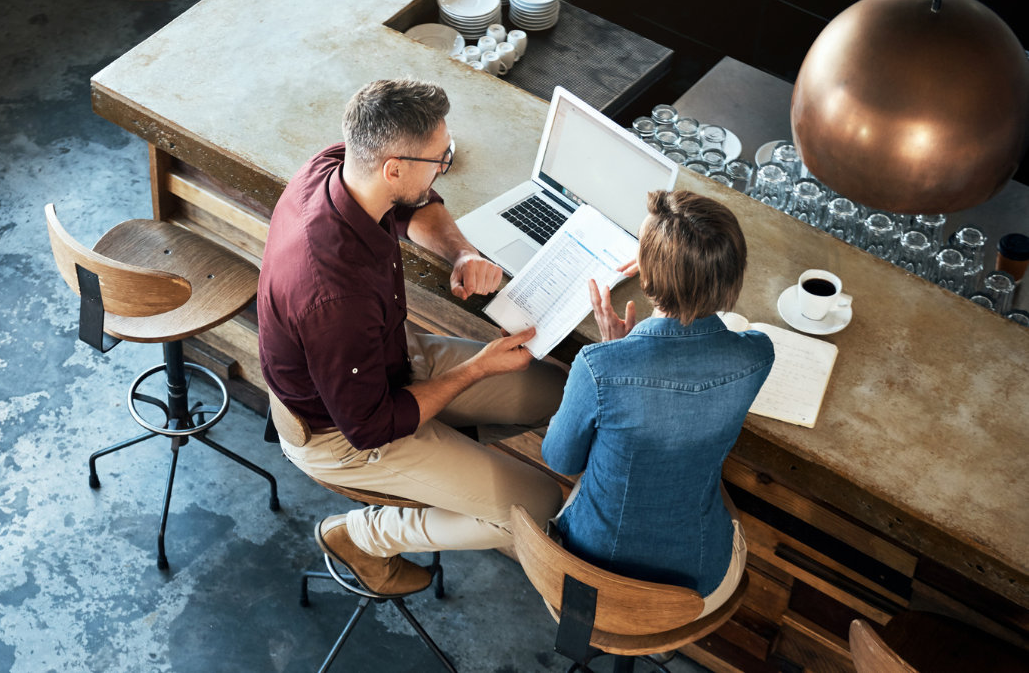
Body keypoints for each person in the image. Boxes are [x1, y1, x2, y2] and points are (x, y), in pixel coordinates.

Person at [258, 79, 567, 596]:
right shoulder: (336, 297)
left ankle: (444, 451)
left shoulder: (337, 165)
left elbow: (412, 204)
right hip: (343, 432)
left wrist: (463, 253)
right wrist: (476, 370)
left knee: (554, 393)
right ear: (393, 167)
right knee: (539, 506)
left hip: (387, 360)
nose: (444, 166)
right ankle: (363, 537)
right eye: (438, 159)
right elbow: (371, 426)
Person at [543, 189, 774, 617]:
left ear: (646, 279)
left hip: (589, 579)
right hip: (694, 591)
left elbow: (560, 459)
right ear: (734, 278)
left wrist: (618, 353)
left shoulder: (598, 367)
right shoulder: (758, 355)